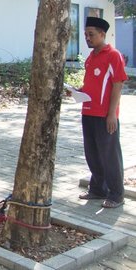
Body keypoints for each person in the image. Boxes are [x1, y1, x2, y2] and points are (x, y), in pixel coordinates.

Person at [77, 17, 127, 208]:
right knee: (92, 153)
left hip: (105, 115)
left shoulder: (113, 55)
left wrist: (112, 113)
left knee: (110, 155)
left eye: (91, 34)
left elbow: (117, 84)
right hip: (88, 112)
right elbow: (93, 84)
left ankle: (116, 195)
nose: (88, 38)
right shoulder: (91, 57)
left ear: (102, 34)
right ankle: (98, 190)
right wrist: (78, 91)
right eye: (85, 35)